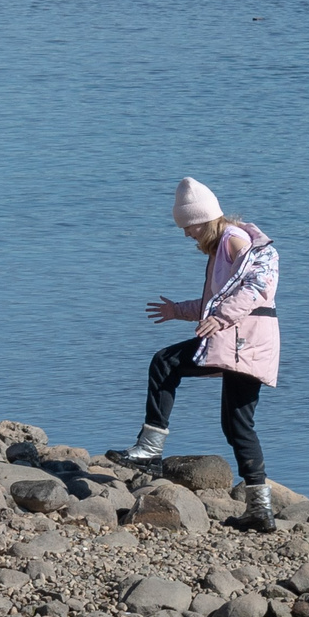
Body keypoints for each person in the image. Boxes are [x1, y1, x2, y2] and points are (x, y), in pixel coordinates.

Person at [106, 177, 282, 533]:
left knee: (166, 362)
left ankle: (150, 450)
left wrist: (221, 318)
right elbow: (214, 302)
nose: (187, 234)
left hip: (242, 340)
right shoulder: (222, 247)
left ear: (205, 218)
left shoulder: (232, 240)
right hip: (246, 341)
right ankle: (260, 510)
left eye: (189, 226)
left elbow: (260, 284)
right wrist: (179, 311)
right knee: (237, 425)